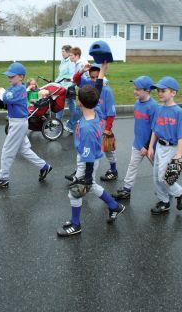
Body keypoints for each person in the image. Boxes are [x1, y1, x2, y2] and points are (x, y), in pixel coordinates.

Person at [57, 62, 125, 237]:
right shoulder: (98, 113)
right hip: (91, 156)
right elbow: (99, 88)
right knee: (93, 185)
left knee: (74, 194)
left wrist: (85, 178)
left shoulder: (87, 128)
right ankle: (114, 206)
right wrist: (102, 71)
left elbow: (87, 160)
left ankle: (76, 224)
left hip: (87, 161)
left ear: (79, 102)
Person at [0, 62, 52, 189]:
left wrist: (0, 90)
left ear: (21, 77)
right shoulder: (14, 87)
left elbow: (6, 97)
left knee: (7, 150)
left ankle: (3, 178)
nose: (9, 78)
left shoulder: (20, 89)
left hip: (18, 123)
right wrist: (2, 90)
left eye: (12, 76)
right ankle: (45, 166)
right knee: (24, 150)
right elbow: (6, 95)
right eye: (9, 76)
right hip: (17, 122)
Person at [66, 63, 118, 181]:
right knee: (87, 147)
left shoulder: (106, 90)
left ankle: (113, 170)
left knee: (108, 149)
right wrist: (82, 70)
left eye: (97, 77)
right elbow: (76, 79)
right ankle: (80, 171)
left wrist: (107, 129)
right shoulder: (88, 85)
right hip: (91, 121)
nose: (94, 80)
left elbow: (111, 113)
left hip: (103, 124)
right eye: (92, 77)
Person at [147, 76, 182, 215]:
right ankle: (164, 201)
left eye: (163, 90)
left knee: (163, 177)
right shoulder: (159, 109)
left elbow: (181, 135)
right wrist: (150, 147)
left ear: (173, 93)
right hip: (159, 147)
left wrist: (179, 153)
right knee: (155, 177)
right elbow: (154, 130)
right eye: (158, 91)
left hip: (171, 148)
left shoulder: (178, 112)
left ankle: (180, 192)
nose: (159, 93)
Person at [112, 76, 158, 200]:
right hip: (138, 143)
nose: (135, 91)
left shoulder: (154, 107)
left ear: (147, 90)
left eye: (138, 89)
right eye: (134, 88)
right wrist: (140, 143)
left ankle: (173, 192)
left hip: (151, 147)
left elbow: (155, 129)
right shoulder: (137, 102)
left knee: (159, 171)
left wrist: (147, 146)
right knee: (132, 165)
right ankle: (126, 189)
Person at [55, 45, 76, 133]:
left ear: (68, 52)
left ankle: (72, 120)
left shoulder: (70, 62)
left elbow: (72, 75)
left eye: (63, 51)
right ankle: (59, 120)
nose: (62, 53)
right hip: (61, 85)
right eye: (62, 51)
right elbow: (61, 75)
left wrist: (67, 87)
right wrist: (55, 83)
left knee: (67, 103)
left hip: (68, 86)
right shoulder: (63, 61)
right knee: (63, 102)